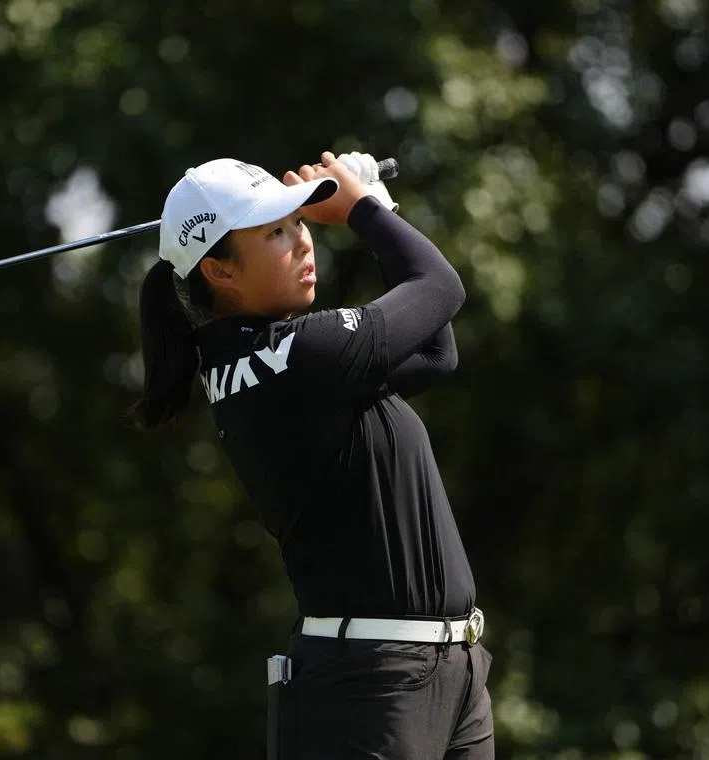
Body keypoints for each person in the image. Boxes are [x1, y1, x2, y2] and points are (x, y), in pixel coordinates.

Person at [131, 151, 493, 759]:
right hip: (370, 685)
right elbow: (440, 287)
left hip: (438, 671)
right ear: (219, 270)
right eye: (275, 232)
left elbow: (435, 353)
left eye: (298, 222)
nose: (303, 241)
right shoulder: (298, 355)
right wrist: (365, 211)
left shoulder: (274, 358)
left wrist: (378, 207)